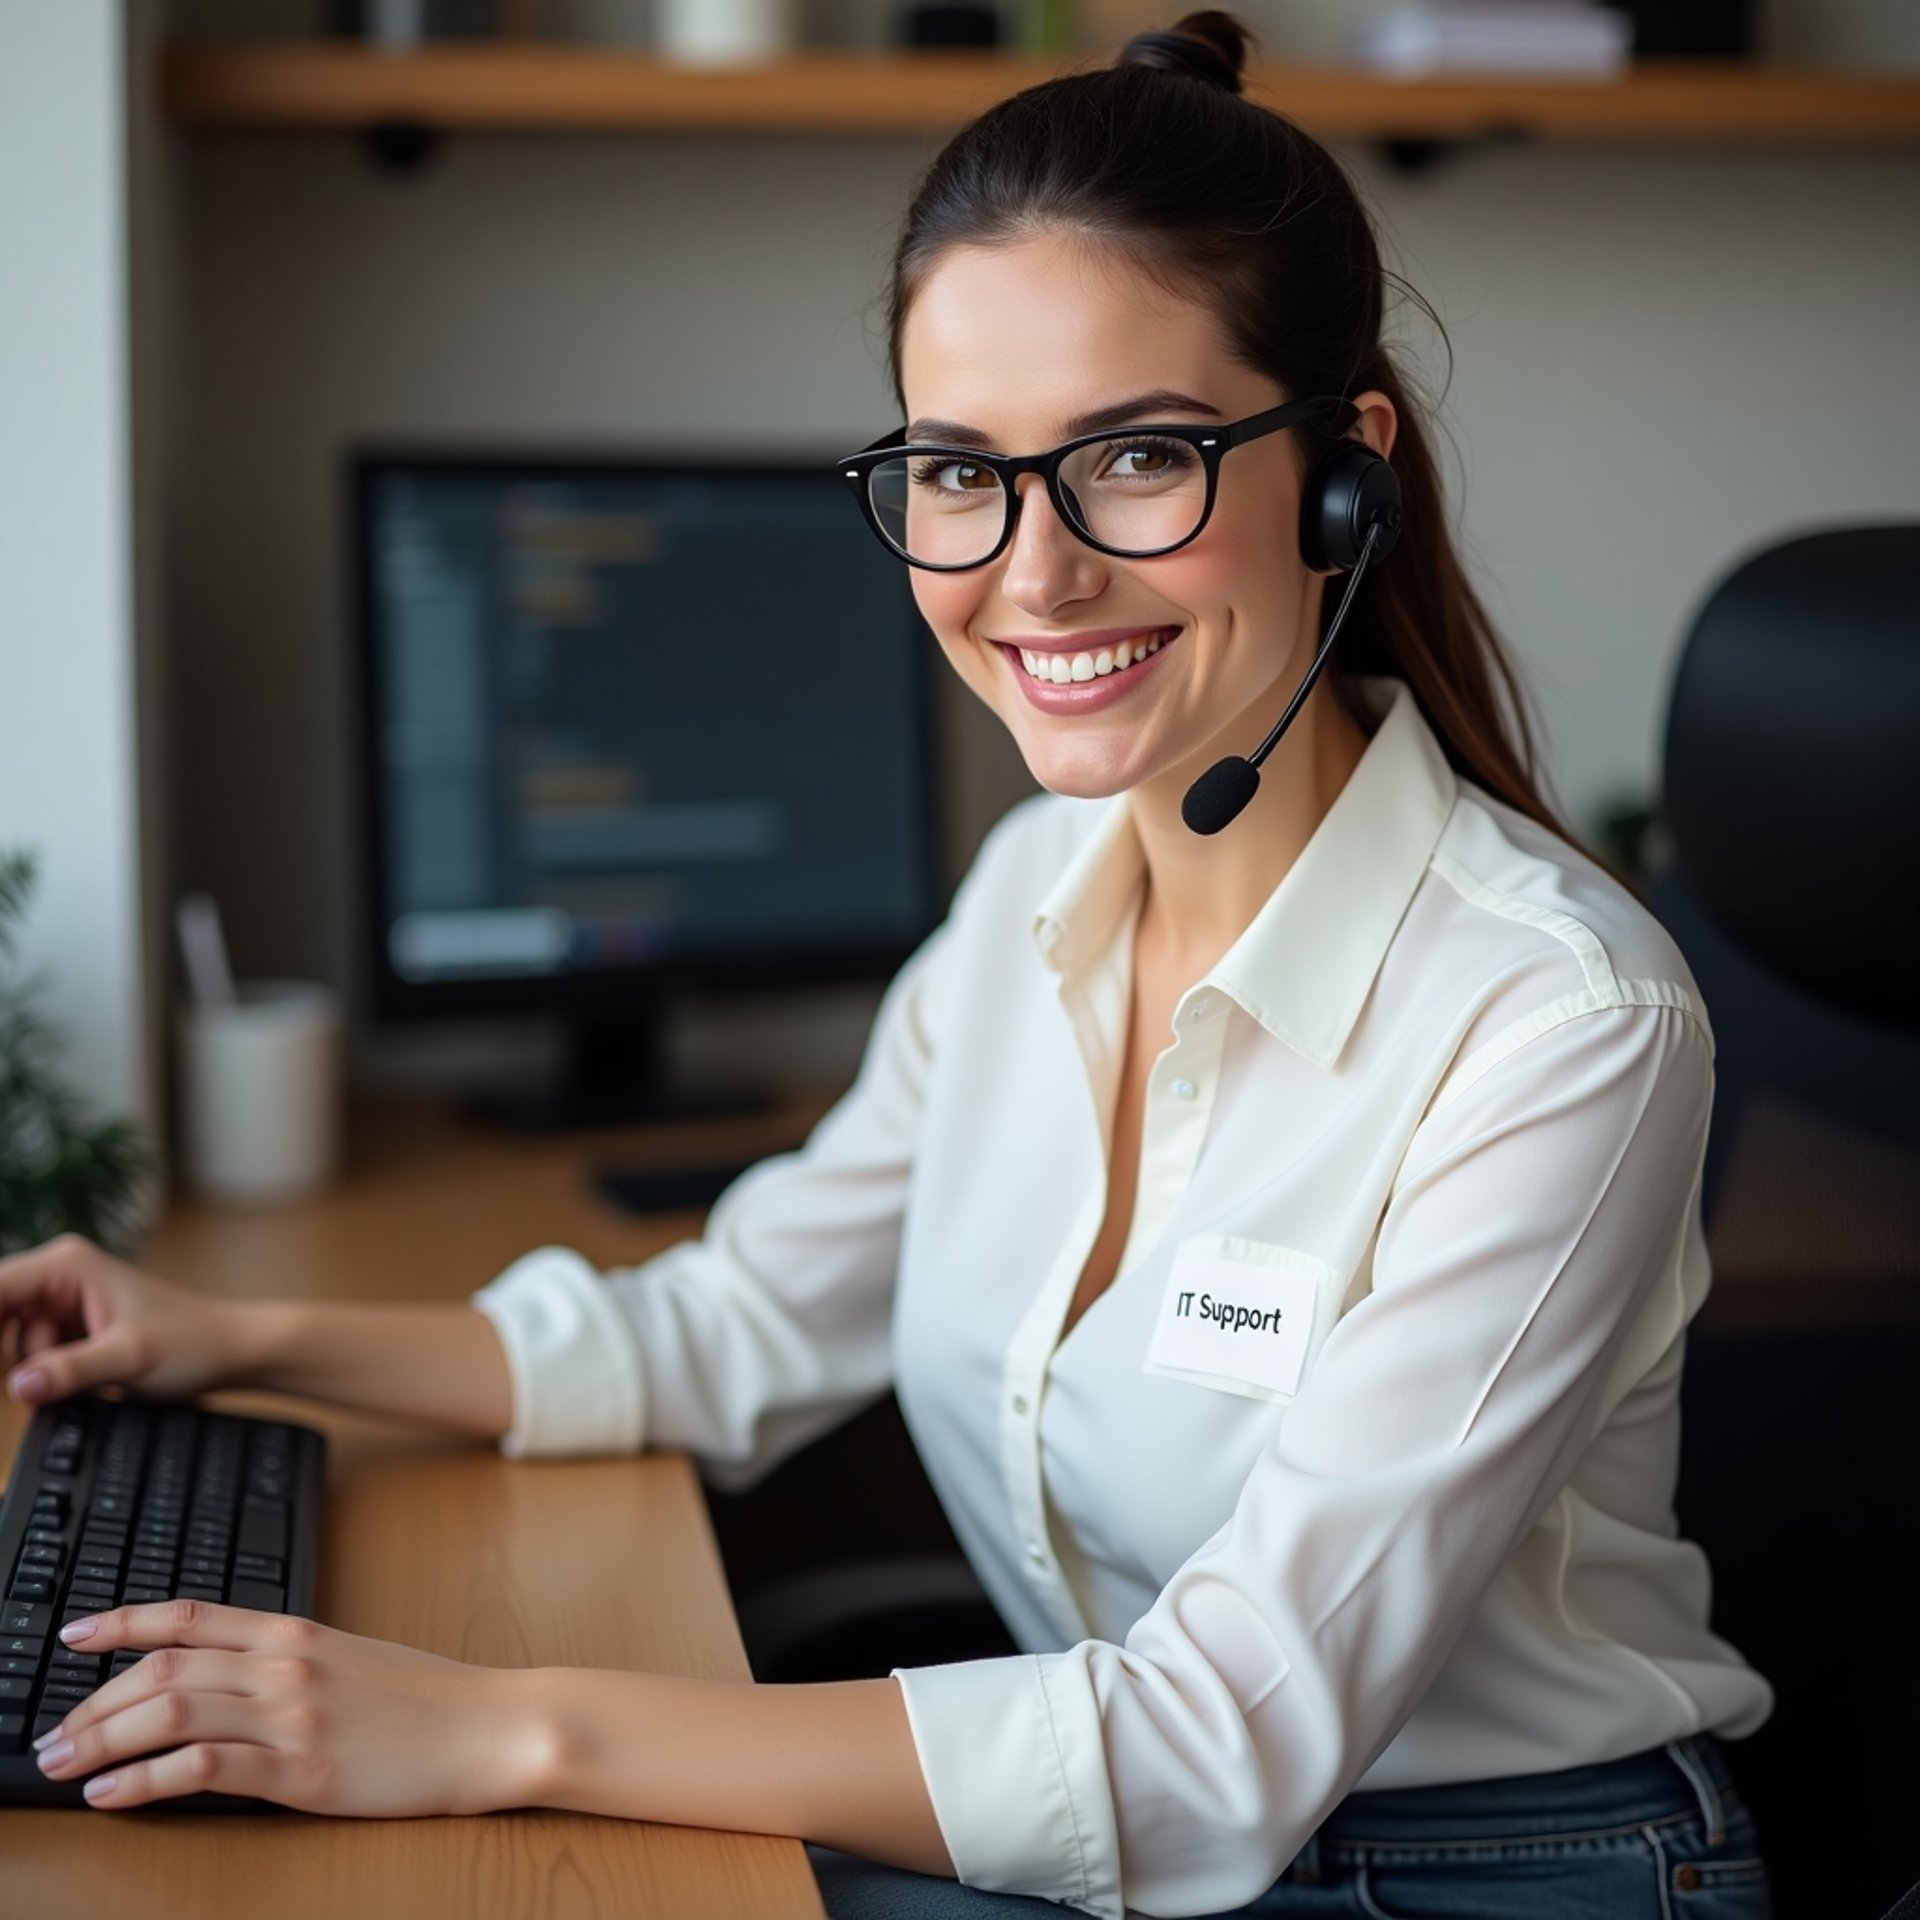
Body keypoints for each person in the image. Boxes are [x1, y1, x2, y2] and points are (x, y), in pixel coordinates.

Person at [0, 12, 1778, 1916]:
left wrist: (490, 1722)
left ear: (1346, 473)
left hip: (1509, 1872)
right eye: (958, 473)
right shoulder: (1034, 893)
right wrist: (235, 1338)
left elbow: (1207, 1751)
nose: (1033, 574)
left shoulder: (1553, 1023)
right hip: (1167, 1834)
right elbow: (735, 1324)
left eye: (1138, 458)